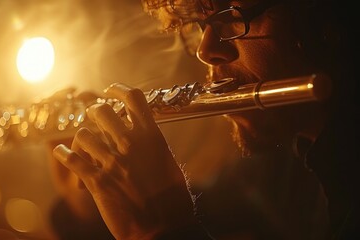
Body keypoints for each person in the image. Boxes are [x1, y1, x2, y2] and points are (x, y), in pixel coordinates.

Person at [50, 0, 359, 239]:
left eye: (233, 16)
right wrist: (93, 197)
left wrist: (166, 231)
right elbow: (208, 205)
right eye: (201, 25)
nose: (206, 50)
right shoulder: (278, 171)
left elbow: (172, 221)